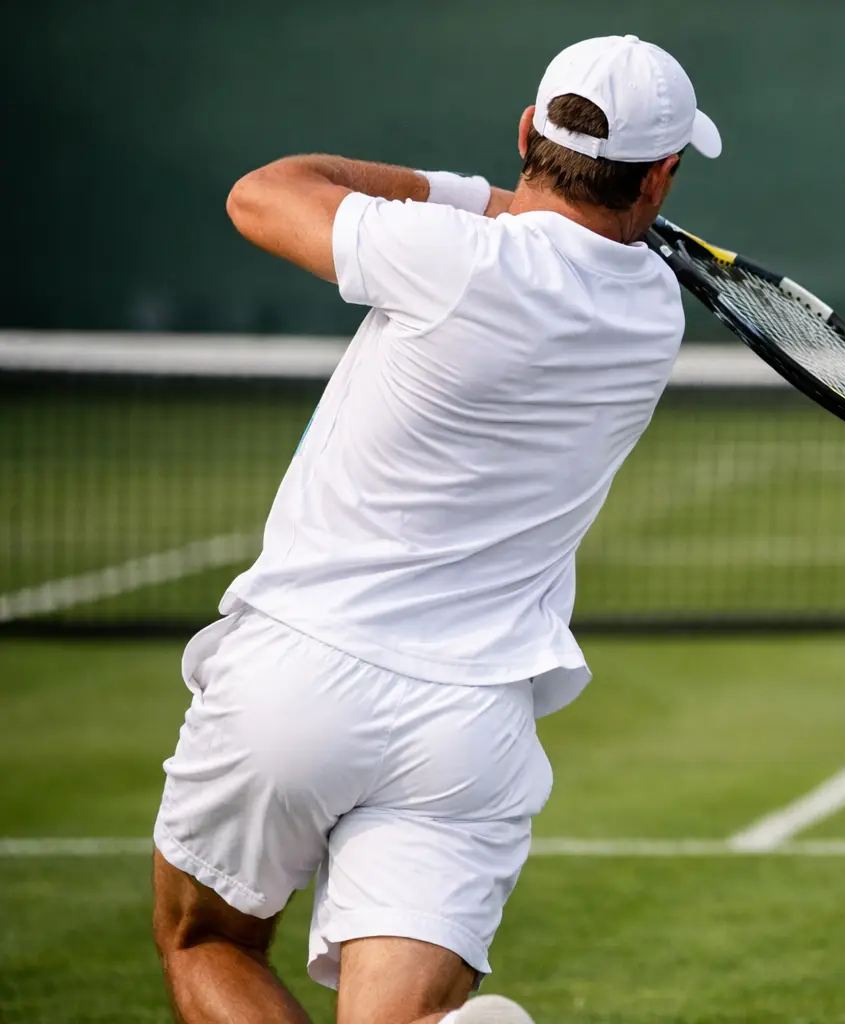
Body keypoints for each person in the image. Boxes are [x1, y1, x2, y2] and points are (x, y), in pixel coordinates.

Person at [149, 35, 721, 1024]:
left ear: (527, 132)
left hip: (296, 678)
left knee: (207, 940)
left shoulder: (449, 252)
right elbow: (553, 242)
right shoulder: (651, 310)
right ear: (661, 174)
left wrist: (461, 192)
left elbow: (265, 193)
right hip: (468, 731)